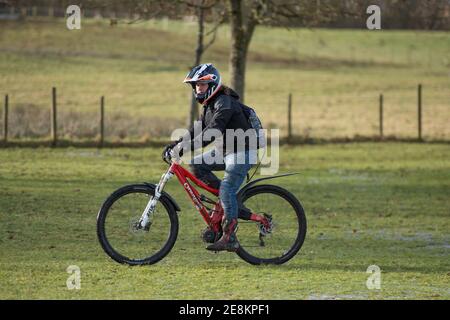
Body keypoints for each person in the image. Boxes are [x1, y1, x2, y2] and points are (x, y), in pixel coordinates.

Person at [163, 63, 263, 252]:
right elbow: (198, 130)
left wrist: (184, 148)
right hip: (227, 151)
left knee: (226, 187)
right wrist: (177, 144)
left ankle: (229, 237)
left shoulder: (224, 102)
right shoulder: (210, 105)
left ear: (212, 84)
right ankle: (226, 204)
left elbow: (212, 133)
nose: (198, 89)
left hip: (243, 152)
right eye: (196, 85)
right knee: (197, 165)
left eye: (201, 84)